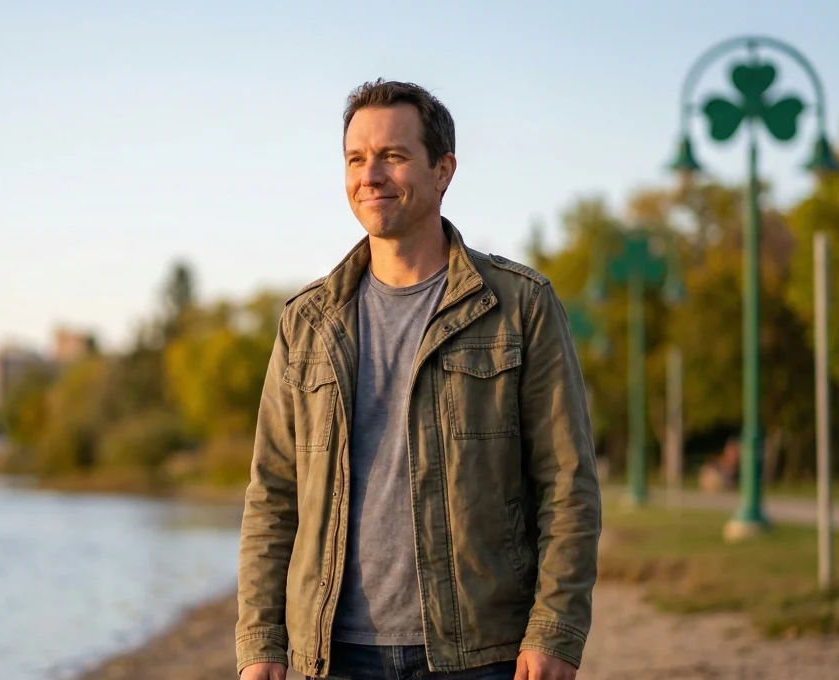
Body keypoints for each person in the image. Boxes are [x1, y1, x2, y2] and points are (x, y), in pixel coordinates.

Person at [236, 79, 602, 680]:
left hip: (479, 653)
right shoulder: (306, 323)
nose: (370, 175)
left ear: (444, 169)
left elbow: (566, 485)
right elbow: (272, 497)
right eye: (356, 159)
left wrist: (556, 632)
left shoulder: (519, 305)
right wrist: (260, 643)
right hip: (330, 655)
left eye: (393, 156)